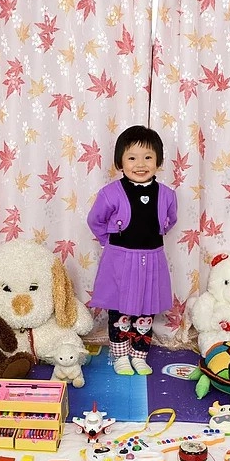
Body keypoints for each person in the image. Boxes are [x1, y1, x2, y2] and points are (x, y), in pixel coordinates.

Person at [87, 125, 177, 376]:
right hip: (120, 260)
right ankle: (120, 356)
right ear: (120, 162)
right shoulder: (110, 193)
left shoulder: (167, 195)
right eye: (132, 158)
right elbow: (95, 220)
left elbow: (170, 220)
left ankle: (139, 355)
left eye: (148, 157)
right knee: (119, 310)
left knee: (146, 309)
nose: (140, 164)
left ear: (158, 161)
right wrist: (108, 242)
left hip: (152, 259)